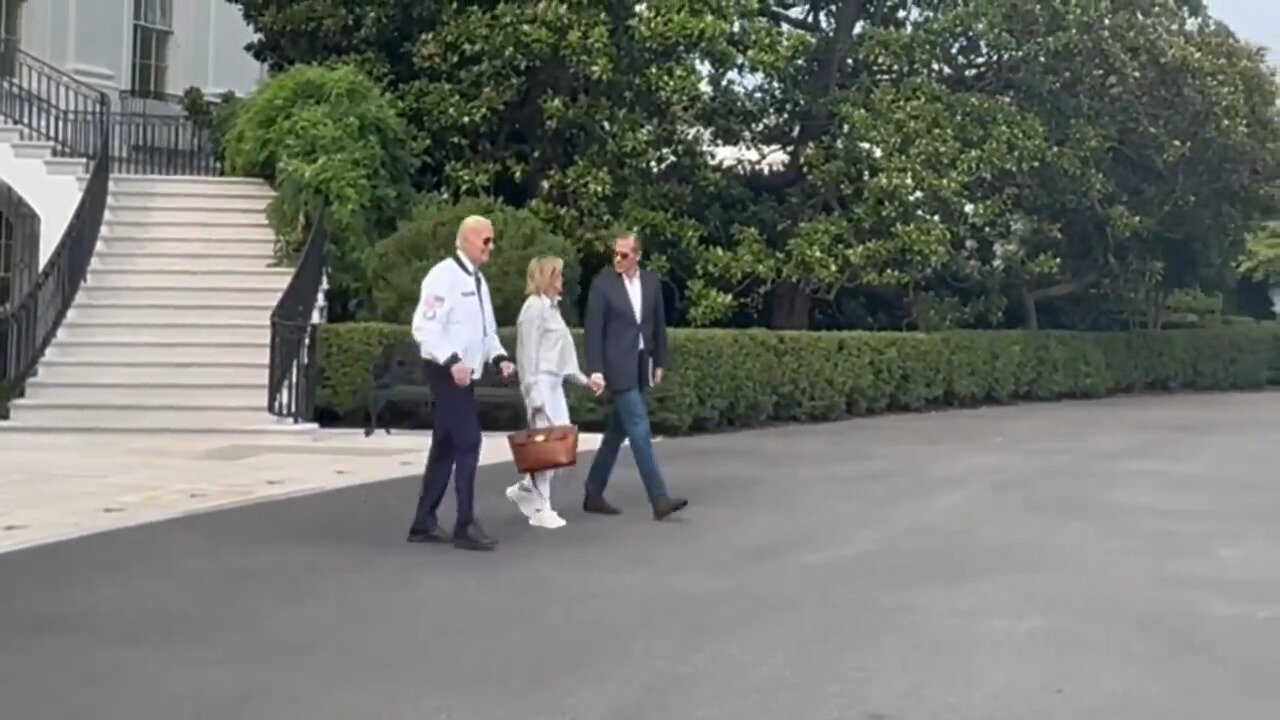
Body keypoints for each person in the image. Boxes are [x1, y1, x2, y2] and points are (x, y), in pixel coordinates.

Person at [406, 215, 515, 551]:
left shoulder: (478, 282)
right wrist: (452, 361)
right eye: (486, 241)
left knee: (446, 445)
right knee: (469, 440)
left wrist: (499, 357)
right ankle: (464, 524)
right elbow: (424, 329)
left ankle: (423, 521)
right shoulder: (443, 277)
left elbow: (487, 331)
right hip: (445, 372)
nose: (491, 248)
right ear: (467, 239)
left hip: (465, 375)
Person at [582, 232, 689, 520]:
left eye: (624, 255)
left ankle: (593, 490)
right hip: (617, 367)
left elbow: (658, 325)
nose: (618, 259)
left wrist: (660, 360)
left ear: (637, 255)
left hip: (642, 364)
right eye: (615, 254)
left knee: (617, 432)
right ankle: (659, 499)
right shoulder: (603, 285)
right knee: (640, 428)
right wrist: (596, 369)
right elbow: (594, 330)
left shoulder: (651, 283)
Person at [508, 256, 603, 529]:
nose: (562, 280)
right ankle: (541, 506)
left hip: (554, 384)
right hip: (540, 384)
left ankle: (528, 491)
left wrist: (585, 381)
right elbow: (526, 356)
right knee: (544, 444)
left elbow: (563, 358)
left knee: (557, 444)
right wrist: (533, 395)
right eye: (558, 275)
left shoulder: (552, 310)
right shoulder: (533, 309)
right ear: (547, 277)